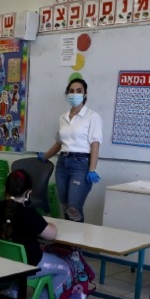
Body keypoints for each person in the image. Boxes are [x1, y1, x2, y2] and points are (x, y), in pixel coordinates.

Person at [0, 169, 71, 299]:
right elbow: (52, 235)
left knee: (21, 262)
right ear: (28, 193)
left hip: (3, 263)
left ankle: (12, 294)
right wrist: (51, 223)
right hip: (29, 264)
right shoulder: (30, 214)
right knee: (65, 268)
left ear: (6, 189)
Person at [38, 72, 103, 222]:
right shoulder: (63, 117)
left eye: (79, 91)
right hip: (63, 163)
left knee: (74, 207)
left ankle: (77, 244)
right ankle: (68, 242)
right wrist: (45, 156)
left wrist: (92, 169)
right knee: (66, 205)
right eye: (71, 91)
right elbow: (59, 143)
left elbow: (95, 144)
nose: (75, 94)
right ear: (67, 94)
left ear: (85, 94)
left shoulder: (92, 117)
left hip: (81, 164)